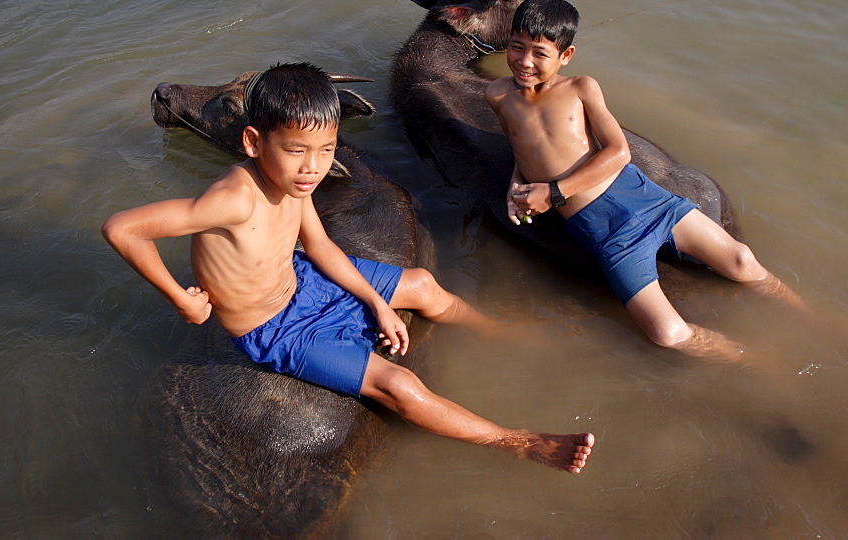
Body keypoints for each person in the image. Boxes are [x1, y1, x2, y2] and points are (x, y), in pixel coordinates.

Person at [103, 62, 594, 473]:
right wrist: (180, 298)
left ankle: (495, 330)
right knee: (397, 385)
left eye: (326, 150)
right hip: (274, 326)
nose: (312, 167)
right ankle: (516, 441)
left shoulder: (297, 183)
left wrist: (377, 303)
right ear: (253, 141)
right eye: (296, 151)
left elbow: (318, 246)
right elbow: (123, 227)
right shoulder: (232, 199)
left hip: (304, 282)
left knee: (423, 285)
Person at [485, 0, 807, 361]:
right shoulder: (497, 95)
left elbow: (618, 151)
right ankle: (755, 360)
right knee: (667, 333)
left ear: (566, 56)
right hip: (607, 232)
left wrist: (553, 194)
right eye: (516, 47)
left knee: (743, 261)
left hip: (646, 199)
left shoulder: (581, 88)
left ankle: (810, 315)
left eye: (540, 53)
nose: (524, 61)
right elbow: (519, 146)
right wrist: (516, 183)